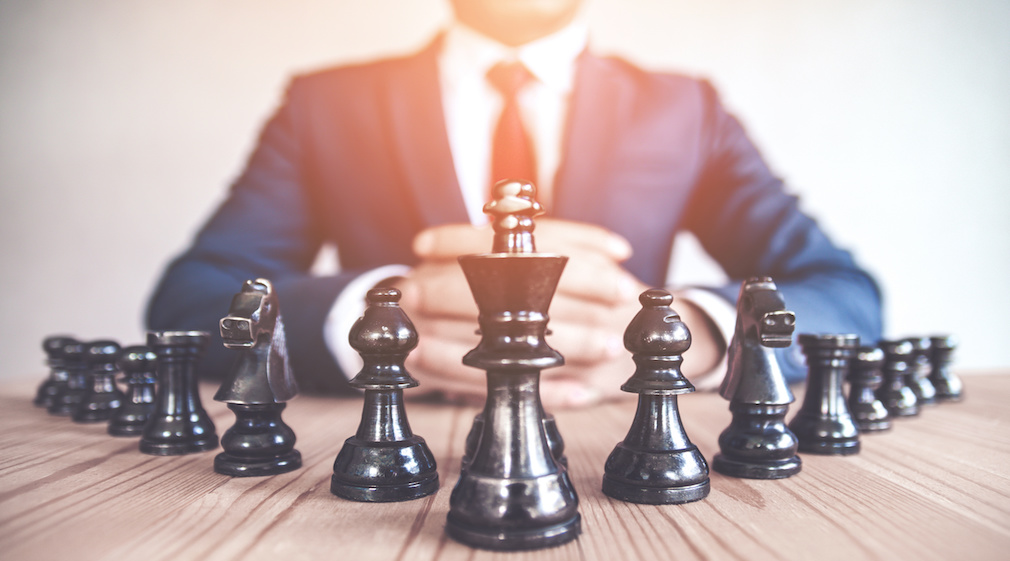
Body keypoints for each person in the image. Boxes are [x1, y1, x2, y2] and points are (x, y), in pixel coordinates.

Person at [147, 0, 882, 407]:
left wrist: (685, 333)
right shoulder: (325, 105)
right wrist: (372, 320)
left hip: (615, 465)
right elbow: (190, 301)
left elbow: (844, 296)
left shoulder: (687, 109)